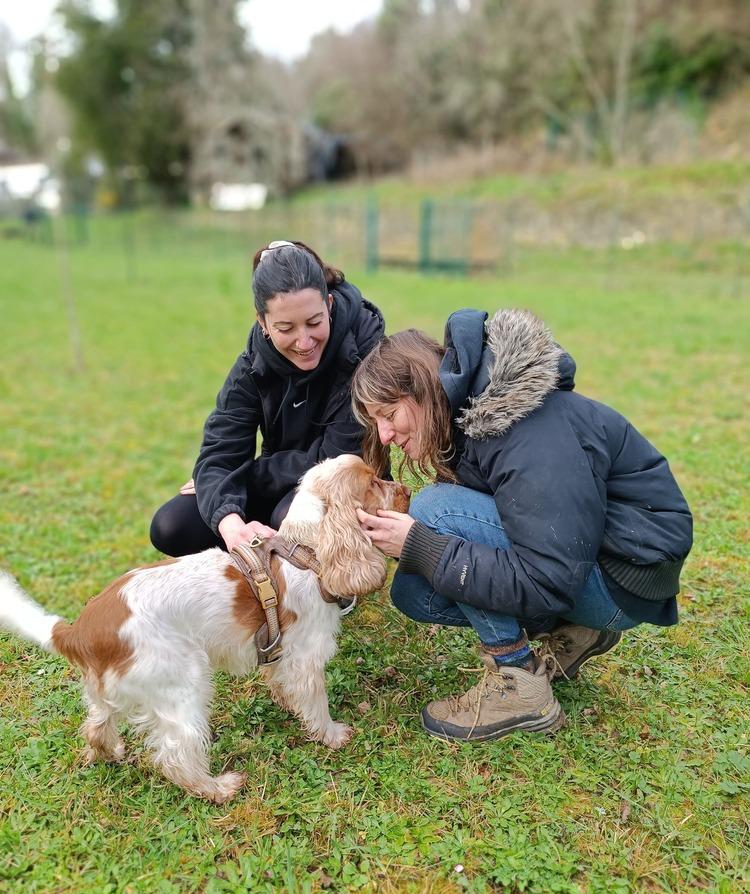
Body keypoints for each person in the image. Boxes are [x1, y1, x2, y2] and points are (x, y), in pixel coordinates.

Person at [352, 308, 693, 743]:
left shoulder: (524, 429)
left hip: (623, 575)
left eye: (389, 414)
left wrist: (423, 545)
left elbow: (547, 580)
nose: (384, 436)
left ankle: (518, 681)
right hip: (590, 560)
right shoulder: (474, 419)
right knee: (414, 593)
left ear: (420, 389)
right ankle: (577, 630)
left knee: (435, 511)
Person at [150, 240, 385, 556]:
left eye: (314, 322)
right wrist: (231, 523)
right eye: (286, 328)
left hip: (344, 482)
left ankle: (339, 577)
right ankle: (247, 569)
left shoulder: (366, 353)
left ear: (329, 305)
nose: (304, 341)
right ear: (262, 323)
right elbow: (221, 451)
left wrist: (247, 474)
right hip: (279, 481)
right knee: (171, 525)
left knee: (291, 518)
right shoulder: (251, 366)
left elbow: (336, 457)